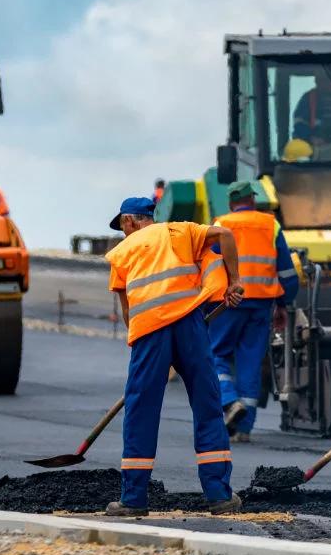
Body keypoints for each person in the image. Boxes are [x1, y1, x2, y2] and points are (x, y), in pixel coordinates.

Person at [103, 196, 245, 516]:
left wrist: (147, 353)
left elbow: (128, 312)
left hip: (149, 332)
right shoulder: (179, 232)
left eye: (123, 226)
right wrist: (234, 281)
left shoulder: (122, 253)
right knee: (208, 405)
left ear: (129, 221)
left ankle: (134, 499)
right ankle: (220, 495)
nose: (124, 232)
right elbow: (225, 235)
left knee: (141, 410)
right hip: (190, 325)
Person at [208, 181, 299, 443]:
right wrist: (284, 303)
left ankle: (228, 401)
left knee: (215, 353)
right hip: (261, 304)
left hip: (228, 302)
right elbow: (286, 272)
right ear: (252, 199)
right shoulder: (271, 225)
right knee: (250, 363)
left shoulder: (220, 223)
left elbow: (210, 263)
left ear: (231, 202)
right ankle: (244, 429)